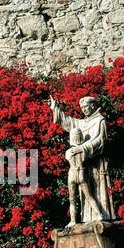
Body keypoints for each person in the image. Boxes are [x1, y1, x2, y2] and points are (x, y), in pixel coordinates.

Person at [48, 95, 115, 223]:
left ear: (92, 106)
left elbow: (100, 140)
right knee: (86, 195)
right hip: (83, 167)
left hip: (96, 163)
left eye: (86, 106)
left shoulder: (100, 120)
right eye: (82, 107)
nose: (84, 109)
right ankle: (88, 219)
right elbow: (69, 121)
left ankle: (102, 217)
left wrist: (82, 148)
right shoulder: (83, 122)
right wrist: (55, 108)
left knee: (96, 193)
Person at [66, 128, 102, 227]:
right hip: (82, 173)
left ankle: (73, 220)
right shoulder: (84, 151)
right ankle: (99, 215)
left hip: (72, 174)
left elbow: (68, 158)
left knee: (72, 199)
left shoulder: (68, 152)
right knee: (89, 196)